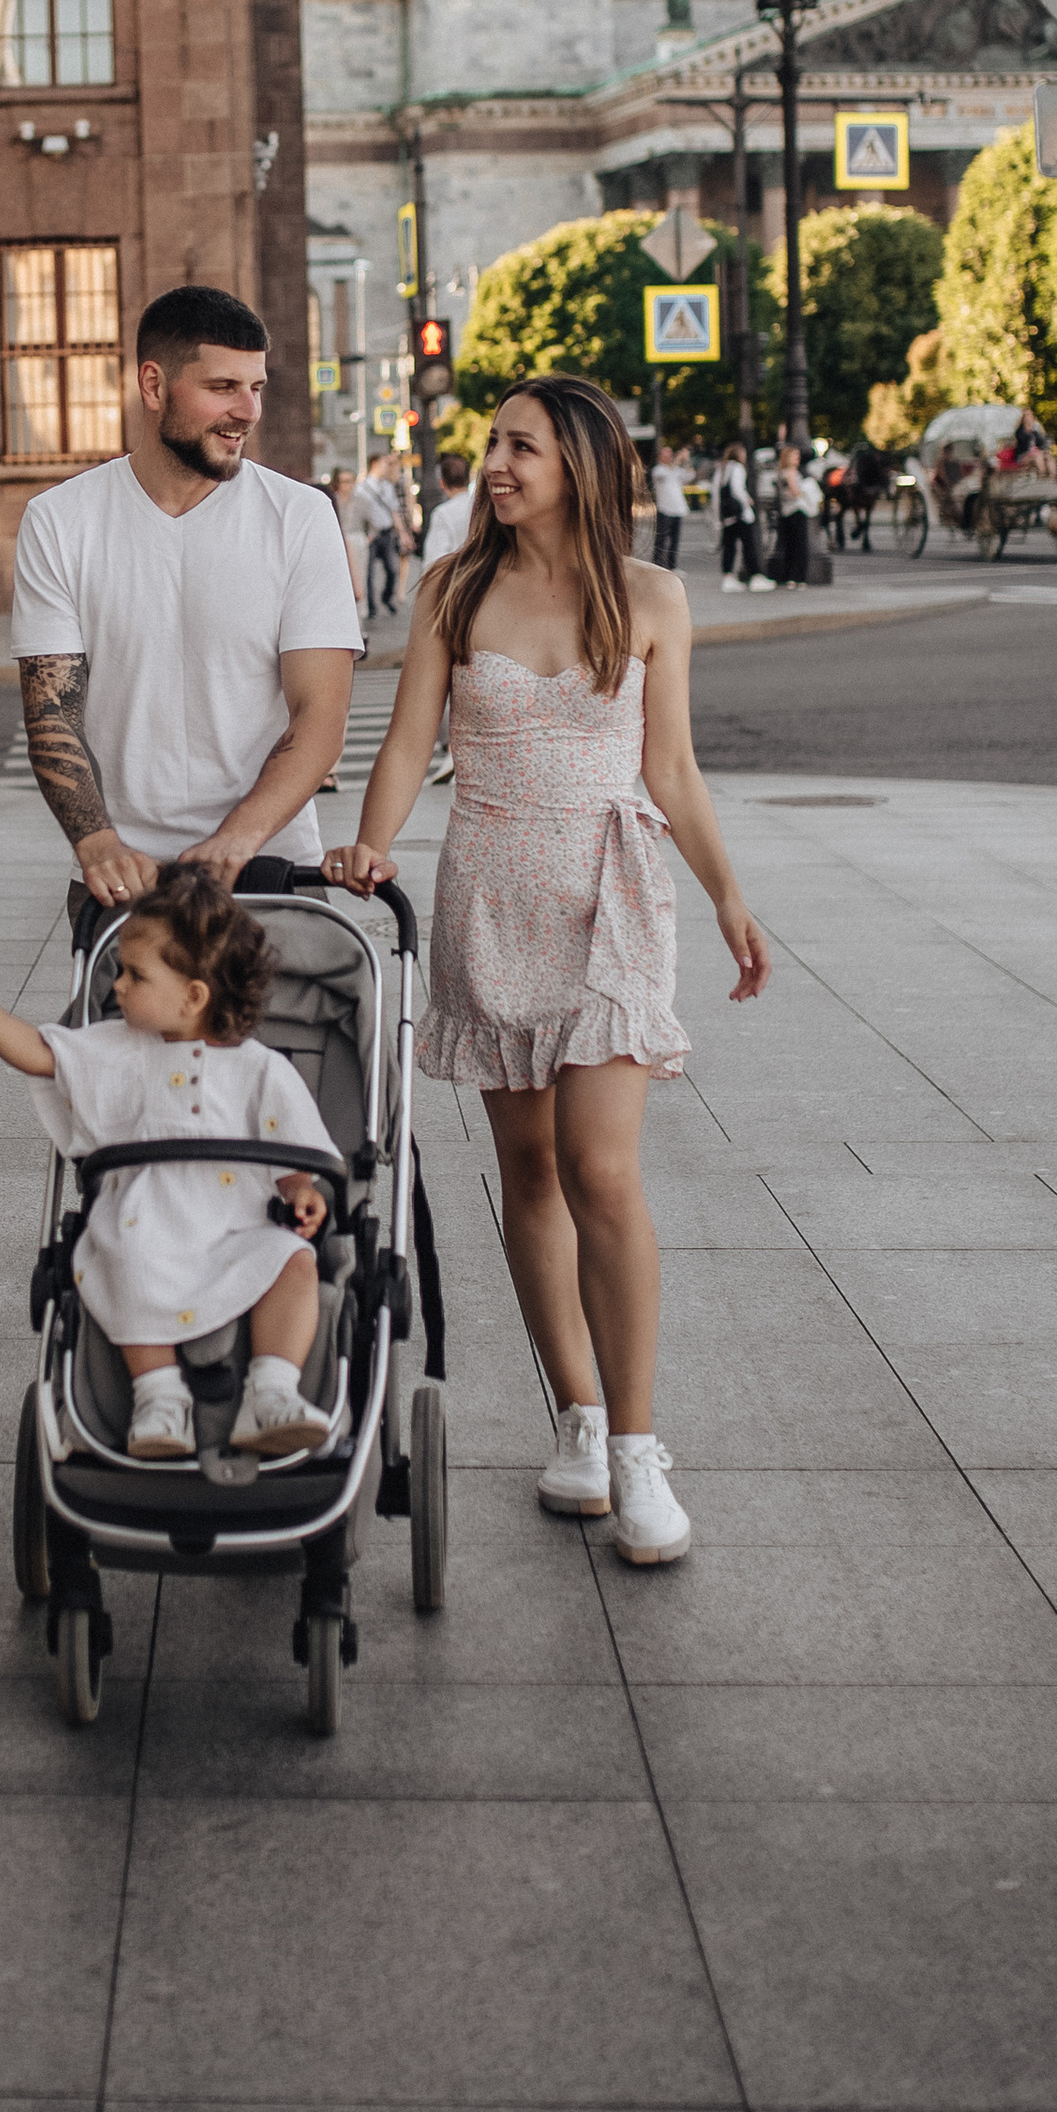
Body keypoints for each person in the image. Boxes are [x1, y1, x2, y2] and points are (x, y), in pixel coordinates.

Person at [326, 375, 771, 1563]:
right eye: (492, 445)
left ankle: (636, 1450)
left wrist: (728, 894)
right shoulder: (452, 590)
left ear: (578, 461)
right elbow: (409, 741)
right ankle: (572, 1418)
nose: (496, 464)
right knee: (526, 1168)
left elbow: (669, 768)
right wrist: (373, 846)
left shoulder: (652, 598)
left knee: (600, 1169)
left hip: (612, 892)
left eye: (519, 445)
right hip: (491, 886)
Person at [0, 867, 339, 1459]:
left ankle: (271, 1393)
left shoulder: (260, 1069)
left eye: (135, 975)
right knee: (123, 1264)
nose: (118, 987)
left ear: (194, 995)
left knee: (294, 1262)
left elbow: (292, 1145)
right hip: (144, 1223)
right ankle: (158, 1397)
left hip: (237, 1227)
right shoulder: (114, 1049)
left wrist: (302, 1188)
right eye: (121, 971)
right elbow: (39, 1055)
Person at [11, 284, 362, 913]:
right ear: (153, 386)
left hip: (270, 868)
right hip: (125, 880)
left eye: (256, 387)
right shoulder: (60, 520)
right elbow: (51, 713)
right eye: (223, 387)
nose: (248, 411)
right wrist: (95, 843)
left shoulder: (301, 516)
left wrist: (237, 841)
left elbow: (320, 717)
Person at [348, 459, 403, 618]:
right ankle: (371, 607)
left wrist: (402, 533)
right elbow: (357, 513)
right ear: (375, 465)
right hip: (371, 534)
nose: (388, 467)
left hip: (386, 532)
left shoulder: (387, 487)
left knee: (392, 570)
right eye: (385, 464)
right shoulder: (362, 488)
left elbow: (394, 510)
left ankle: (386, 597)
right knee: (368, 572)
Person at [715, 441, 770, 593]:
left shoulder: (723, 468)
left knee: (729, 547)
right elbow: (737, 490)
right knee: (749, 545)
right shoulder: (738, 468)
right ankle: (756, 576)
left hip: (728, 516)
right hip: (740, 514)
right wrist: (748, 500)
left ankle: (728, 576)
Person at [421, 451, 475, 569]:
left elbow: (434, 561)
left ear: (442, 483)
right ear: (468, 479)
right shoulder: (482, 508)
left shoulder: (442, 514)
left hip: (457, 580)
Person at [773, 444, 817, 589]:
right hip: (797, 509)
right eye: (795, 456)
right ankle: (798, 577)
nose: (797, 459)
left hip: (785, 511)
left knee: (789, 545)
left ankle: (790, 576)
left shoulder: (780, 472)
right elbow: (795, 491)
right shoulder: (791, 472)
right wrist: (806, 491)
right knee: (800, 545)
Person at [648, 437, 688, 571]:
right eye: (666, 453)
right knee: (661, 539)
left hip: (678, 509)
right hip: (664, 508)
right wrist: (678, 460)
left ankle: (672, 565)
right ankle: (657, 564)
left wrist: (686, 461)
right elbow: (666, 474)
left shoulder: (675, 470)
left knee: (674, 540)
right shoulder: (658, 470)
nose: (669, 456)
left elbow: (690, 475)